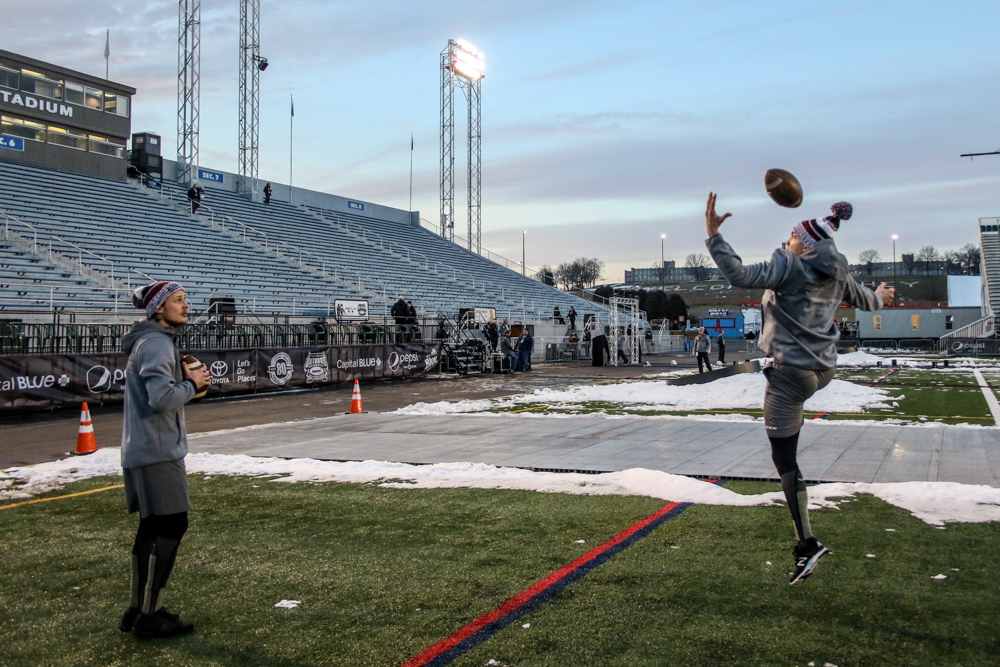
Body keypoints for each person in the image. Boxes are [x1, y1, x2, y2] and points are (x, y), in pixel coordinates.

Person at [704, 192, 893, 584]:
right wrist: (884, 296)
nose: (787, 239)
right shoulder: (838, 271)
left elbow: (739, 274)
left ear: (803, 243)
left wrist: (714, 236)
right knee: (786, 449)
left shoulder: (789, 264)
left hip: (790, 374)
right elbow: (869, 302)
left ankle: (807, 544)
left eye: (792, 235)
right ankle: (806, 541)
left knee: (784, 459)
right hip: (823, 370)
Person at [120, 281, 212, 638]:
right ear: (159, 308)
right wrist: (194, 383)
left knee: (152, 526)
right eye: (178, 300)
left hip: (141, 447)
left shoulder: (145, 341)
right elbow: (162, 399)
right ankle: (150, 614)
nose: (186, 305)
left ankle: (137, 609)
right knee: (172, 525)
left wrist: (186, 383)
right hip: (157, 450)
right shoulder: (157, 343)